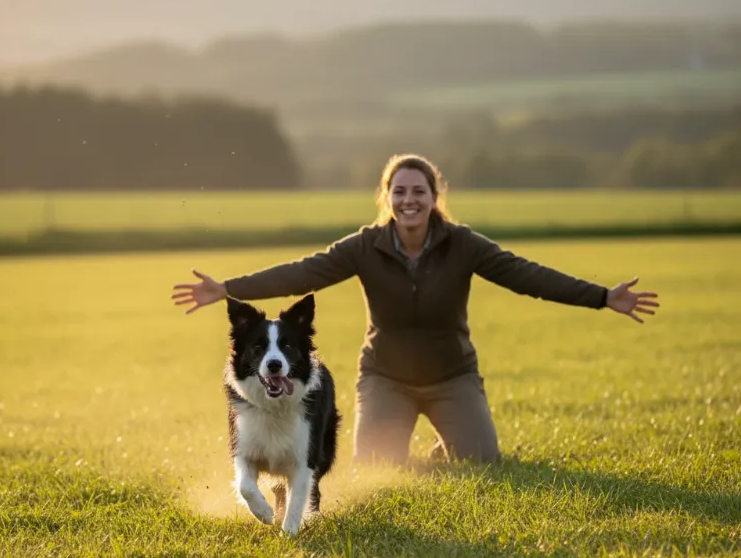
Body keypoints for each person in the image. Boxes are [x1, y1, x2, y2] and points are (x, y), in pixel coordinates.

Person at [171, 154, 659, 466]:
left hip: (453, 377)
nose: (409, 200)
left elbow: (525, 275)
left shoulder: (464, 245)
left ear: (433, 197)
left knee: (481, 464)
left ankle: (445, 451)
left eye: (418, 191)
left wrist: (601, 296)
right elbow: (303, 272)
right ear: (387, 198)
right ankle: (411, 449)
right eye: (399, 192)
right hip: (387, 379)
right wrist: (229, 288)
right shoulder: (364, 246)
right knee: (377, 468)